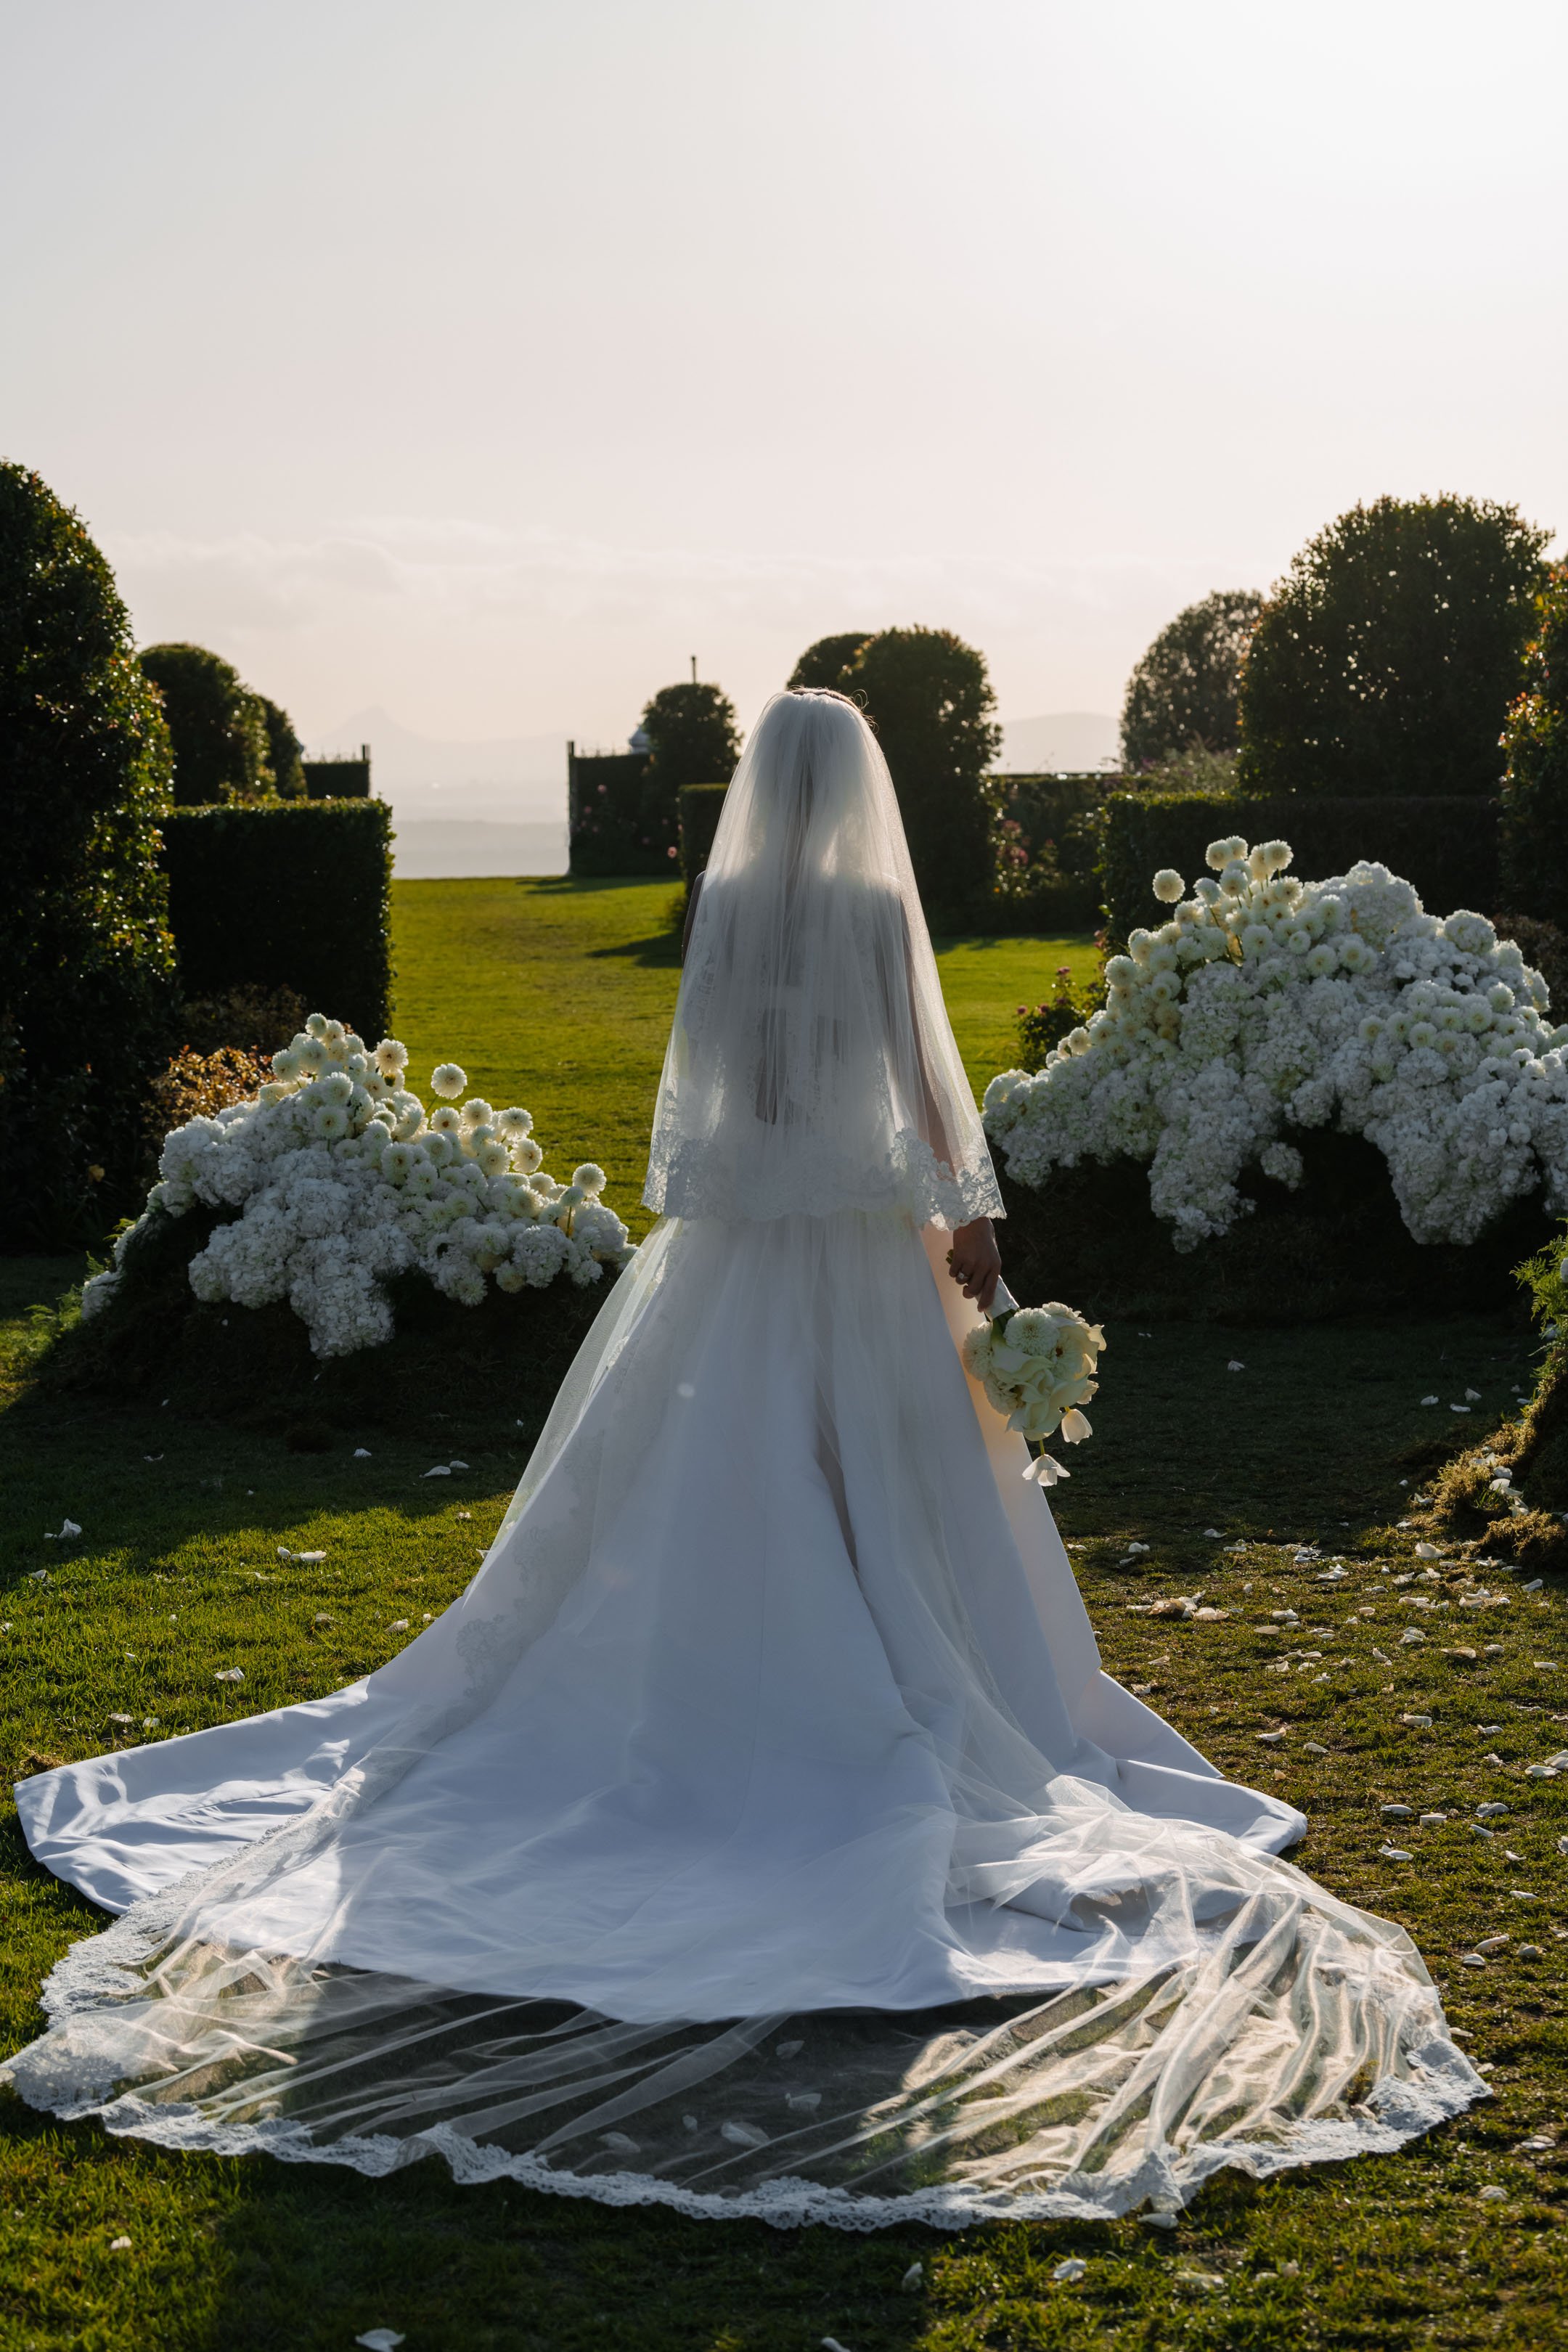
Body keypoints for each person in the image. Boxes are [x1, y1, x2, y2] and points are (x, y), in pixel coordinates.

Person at [6, 690, 1480, 2228]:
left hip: (741, 1252)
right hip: (861, 1241)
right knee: (879, 1487)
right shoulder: (861, 904)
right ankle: (873, 1680)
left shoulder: (736, 908)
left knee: (711, 1474)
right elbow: (918, 1076)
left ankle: (725, 1672)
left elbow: (721, 1101)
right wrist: (961, 1223)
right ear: (863, 793)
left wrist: (782, 1184)